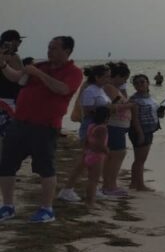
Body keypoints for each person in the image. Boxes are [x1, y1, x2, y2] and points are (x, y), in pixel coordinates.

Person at [0, 36, 84, 223]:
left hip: (45, 127)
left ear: (67, 51)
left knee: (45, 168)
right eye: (48, 47)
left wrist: (38, 75)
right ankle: (7, 206)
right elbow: (17, 79)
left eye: (54, 48)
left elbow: (62, 89)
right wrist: (3, 65)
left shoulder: (74, 72)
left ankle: (46, 209)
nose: (49, 51)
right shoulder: (40, 65)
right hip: (19, 123)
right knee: (6, 165)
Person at [58, 63, 112, 202]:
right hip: (91, 126)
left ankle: (92, 187)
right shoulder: (90, 90)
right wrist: (106, 110)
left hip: (99, 125)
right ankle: (68, 189)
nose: (109, 79)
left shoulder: (100, 89)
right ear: (97, 77)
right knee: (85, 160)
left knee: (91, 161)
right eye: (106, 76)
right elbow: (87, 111)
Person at [101, 62, 138, 198]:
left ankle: (109, 185)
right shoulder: (109, 87)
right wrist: (131, 105)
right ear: (117, 76)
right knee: (117, 155)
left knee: (114, 155)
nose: (125, 82)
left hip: (119, 126)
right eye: (124, 79)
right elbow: (113, 106)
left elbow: (122, 99)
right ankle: (109, 186)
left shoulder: (116, 88)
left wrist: (123, 88)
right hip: (114, 126)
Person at [129, 74, 161, 191]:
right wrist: (140, 133)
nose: (140, 85)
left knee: (141, 160)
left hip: (149, 129)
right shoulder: (134, 99)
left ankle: (136, 184)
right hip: (140, 130)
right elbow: (134, 119)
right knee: (139, 160)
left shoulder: (149, 96)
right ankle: (137, 185)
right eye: (136, 83)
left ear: (148, 83)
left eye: (142, 82)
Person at [81, 106, 110, 206]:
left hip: (89, 154)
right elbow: (100, 144)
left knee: (90, 179)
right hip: (97, 156)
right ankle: (90, 201)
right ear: (106, 118)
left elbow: (86, 140)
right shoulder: (102, 129)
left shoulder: (91, 126)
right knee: (94, 180)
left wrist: (85, 151)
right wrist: (107, 151)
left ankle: (88, 200)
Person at [0, 30, 27, 135]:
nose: (19, 44)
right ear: (13, 41)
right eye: (19, 41)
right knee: (10, 137)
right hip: (9, 101)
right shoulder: (14, 57)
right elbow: (21, 78)